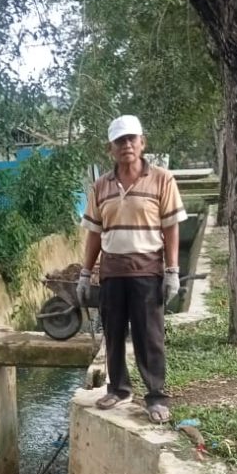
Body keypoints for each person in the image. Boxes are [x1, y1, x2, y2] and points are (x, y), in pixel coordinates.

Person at [78, 114, 187, 424]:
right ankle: (119, 388)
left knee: (148, 335)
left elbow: (171, 228)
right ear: (110, 148)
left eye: (131, 139)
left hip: (147, 270)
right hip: (112, 272)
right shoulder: (101, 186)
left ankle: (155, 395)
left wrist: (173, 270)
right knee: (112, 333)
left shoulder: (163, 179)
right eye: (119, 141)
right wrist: (86, 274)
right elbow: (95, 234)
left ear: (143, 143)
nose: (126, 145)